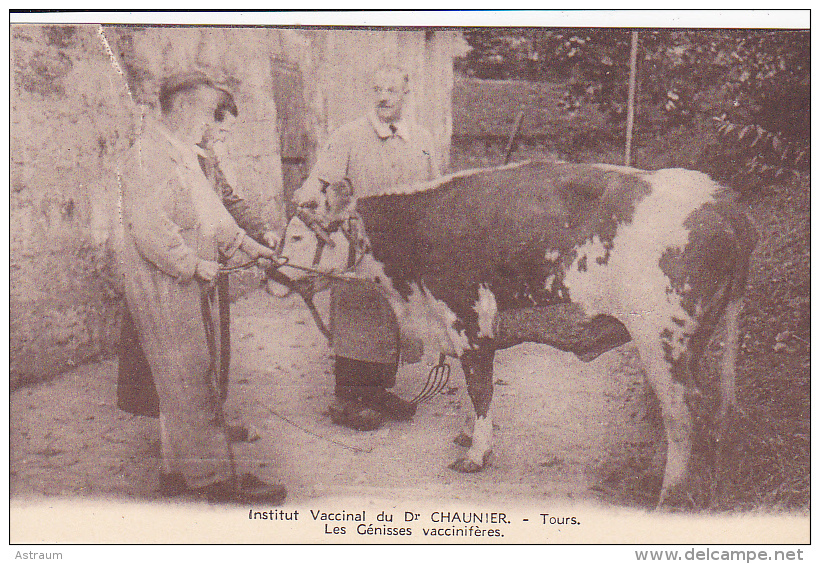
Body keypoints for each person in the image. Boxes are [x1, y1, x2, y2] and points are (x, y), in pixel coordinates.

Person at [120, 70, 285, 503]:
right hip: (162, 279)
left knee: (187, 377)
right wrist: (192, 264)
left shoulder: (182, 154)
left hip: (183, 277)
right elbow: (150, 228)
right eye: (208, 111)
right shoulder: (147, 156)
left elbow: (215, 217)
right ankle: (215, 481)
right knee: (189, 377)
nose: (212, 120)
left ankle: (178, 471)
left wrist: (255, 250)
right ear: (187, 110)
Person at [294, 65, 440, 431]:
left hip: (403, 250)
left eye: (392, 89)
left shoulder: (422, 140)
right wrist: (309, 199)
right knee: (359, 318)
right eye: (377, 89)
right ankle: (348, 398)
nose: (383, 97)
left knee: (394, 318)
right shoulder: (347, 137)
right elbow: (319, 180)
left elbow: (436, 191)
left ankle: (377, 391)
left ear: (407, 93)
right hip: (356, 248)